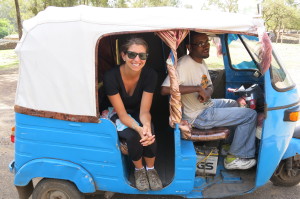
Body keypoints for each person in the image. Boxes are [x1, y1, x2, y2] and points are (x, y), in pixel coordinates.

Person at [161, 32, 257, 170]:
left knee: (234, 103)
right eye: (200, 43)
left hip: (207, 105)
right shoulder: (184, 64)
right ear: (189, 47)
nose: (205, 46)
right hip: (199, 116)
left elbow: (210, 85)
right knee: (250, 115)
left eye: (207, 42)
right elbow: (164, 89)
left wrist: (206, 93)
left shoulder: (201, 61)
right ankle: (234, 157)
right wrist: (197, 88)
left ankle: (228, 146)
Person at [103, 37, 163, 191]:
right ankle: (139, 170)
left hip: (138, 112)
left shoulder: (150, 75)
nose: (137, 59)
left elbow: (144, 111)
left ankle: (151, 169)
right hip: (116, 112)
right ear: (123, 55)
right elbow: (122, 115)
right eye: (132, 55)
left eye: (142, 56)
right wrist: (138, 129)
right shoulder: (111, 77)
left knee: (150, 131)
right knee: (133, 135)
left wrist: (146, 126)